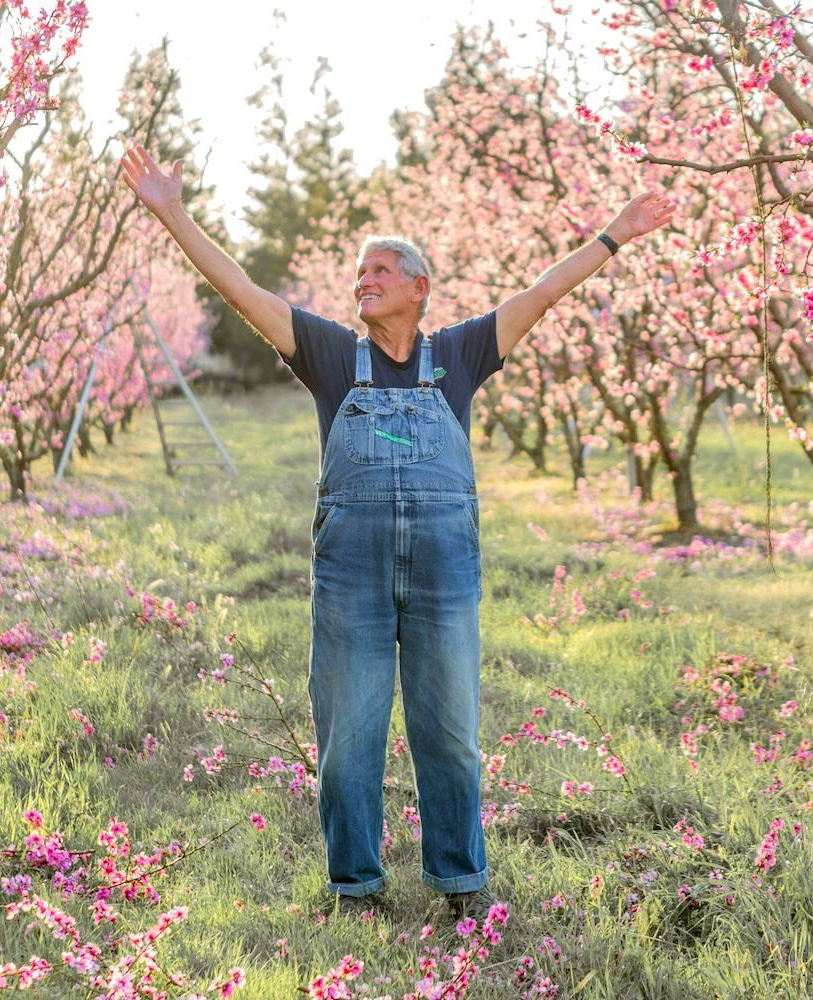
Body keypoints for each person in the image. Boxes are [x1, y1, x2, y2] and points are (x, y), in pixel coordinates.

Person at [121, 144, 675, 922]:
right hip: (352, 571)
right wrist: (172, 211)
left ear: (419, 289)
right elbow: (239, 288)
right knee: (349, 734)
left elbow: (542, 292)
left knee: (448, 731)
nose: (364, 280)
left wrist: (615, 234)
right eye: (359, 272)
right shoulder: (325, 355)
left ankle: (461, 880)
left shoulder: (459, 354)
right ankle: (356, 886)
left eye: (381, 269)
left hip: (445, 569)